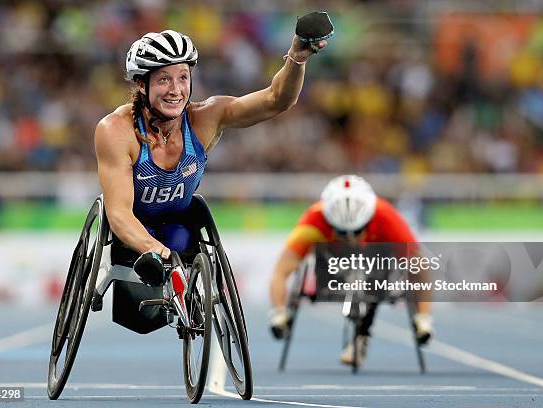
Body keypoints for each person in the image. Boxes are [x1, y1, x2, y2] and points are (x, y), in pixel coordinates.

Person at [94, 29, 328, 286]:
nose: (176, 90)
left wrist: (297, 57)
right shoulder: (116, 130)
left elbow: (276, 99)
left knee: (179, 238)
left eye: (183, 78)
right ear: (141, 84)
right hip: (134, 228)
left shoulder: (205, 118)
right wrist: (157, 251)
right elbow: (118, 213)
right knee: (160, 245)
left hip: (179, 225)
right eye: (163, 80)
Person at [268, 174, 433, 367]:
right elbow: (281, 271)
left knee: (382, 265)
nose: (351, 240)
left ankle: (362, 336)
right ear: (329, 221)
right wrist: (279, 314)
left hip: (375, 262)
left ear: (369, 219)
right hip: (329, 263)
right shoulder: (313, 220)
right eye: (342, 233)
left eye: (356, 231)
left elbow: (419, 269)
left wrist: (423, 318)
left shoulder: (387, 218)